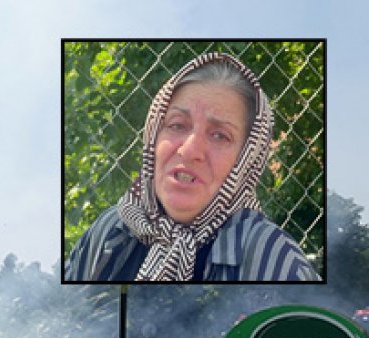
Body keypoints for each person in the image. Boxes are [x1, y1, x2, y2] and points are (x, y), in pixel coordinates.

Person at [65, 52, 319, 282]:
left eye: (219, 135)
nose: (189, 150)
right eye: (177, 125)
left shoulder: (273, 260)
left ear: (245, 161)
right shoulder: (112, 230)